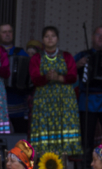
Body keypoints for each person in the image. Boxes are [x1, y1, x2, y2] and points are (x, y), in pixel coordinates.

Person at [28, 26, 80, 156]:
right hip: (44, 99)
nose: (50, 39)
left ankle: (65, 163)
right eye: (47, 36)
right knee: (44, 127)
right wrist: (46, 78)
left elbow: (73, 76)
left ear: (57, 38)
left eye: (53, 36)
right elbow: (34, 78)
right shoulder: (36, 58)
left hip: (65, 100)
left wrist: (59, 78)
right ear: (42, 40)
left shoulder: (66, 56)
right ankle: (42, 161)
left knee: (64, 127)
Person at [74, 27, 102, 167]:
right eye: (98, 34)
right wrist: (77, 65)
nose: (100, 38)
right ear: (92, 37)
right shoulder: (82, 55)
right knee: (86, 136)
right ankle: (85, 165)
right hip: (87, 100)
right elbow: (68, 72)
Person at [0, 23, 31, 135]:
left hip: (18, 104)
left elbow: (29, 77)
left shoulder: (21, 53)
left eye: (10, 32)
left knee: (20, 138)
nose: (7, 34)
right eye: (4, 32)